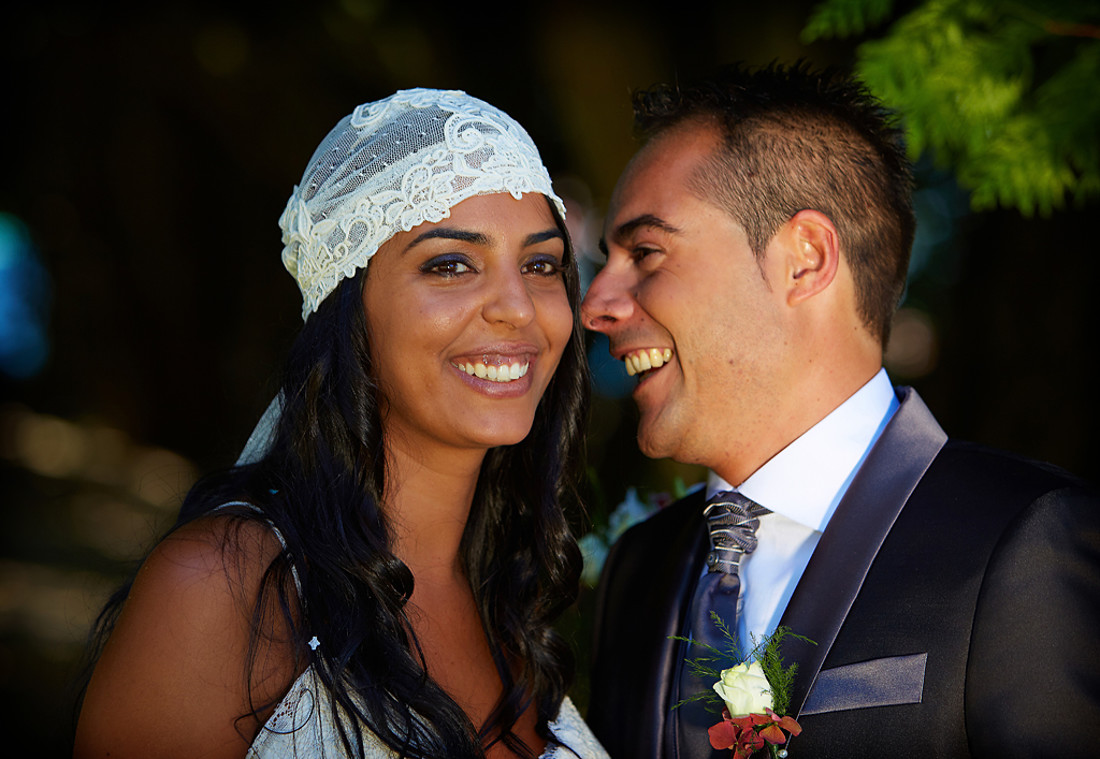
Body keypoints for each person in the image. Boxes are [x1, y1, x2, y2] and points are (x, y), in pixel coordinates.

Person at [581, 62, 1100, 758]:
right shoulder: (637, 571)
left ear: (806, 258)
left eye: (646, 252)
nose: (597, 305)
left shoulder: (1027, 536)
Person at [74, 88, 608, 759]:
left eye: (541, 265)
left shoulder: (513, 598)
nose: (518, 308)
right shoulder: (224, 588)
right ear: (348, 308)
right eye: (450, 264)